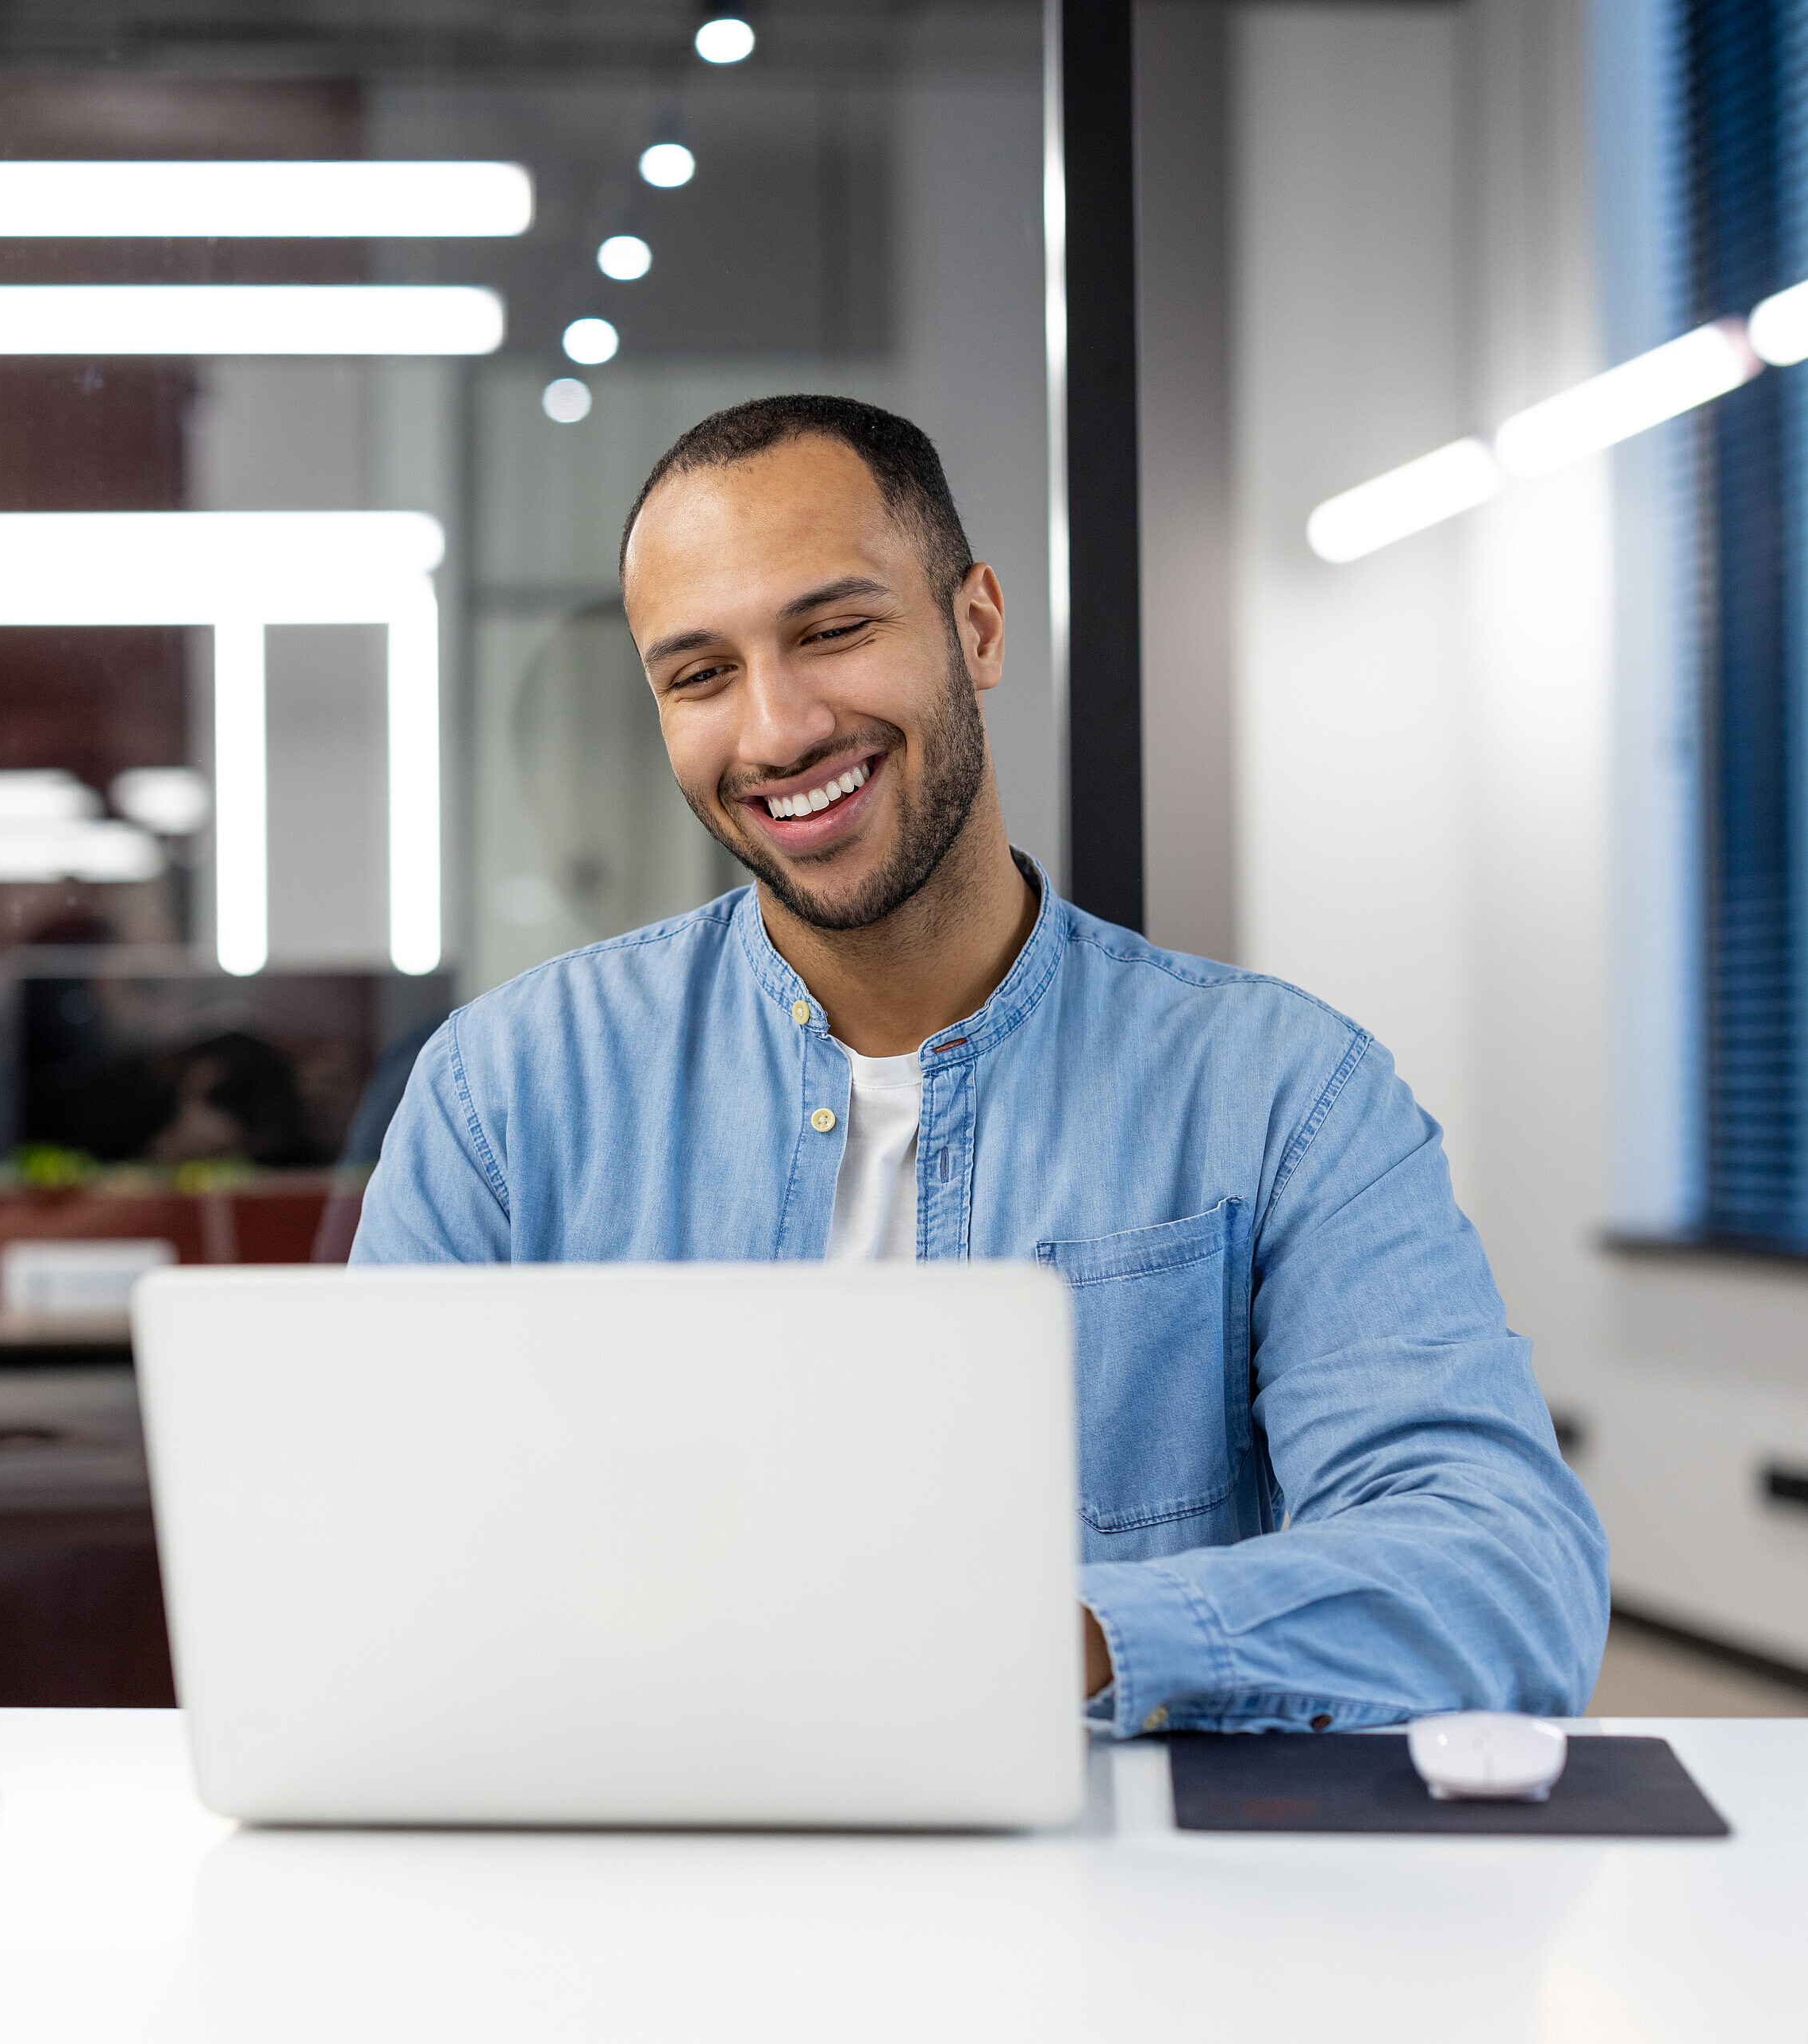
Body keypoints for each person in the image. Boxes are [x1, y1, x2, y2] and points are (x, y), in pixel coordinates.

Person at [354, 395, 1610, 1733]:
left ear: (978, 626)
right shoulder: (507, 1095)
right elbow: (362, 1564)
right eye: (700, 674)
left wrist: (1050, 1643)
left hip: (1109, 1902)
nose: (775, 731)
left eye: (833, 630)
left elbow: (1506, 1574)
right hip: (647, 1884)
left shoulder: (1282, 1095)